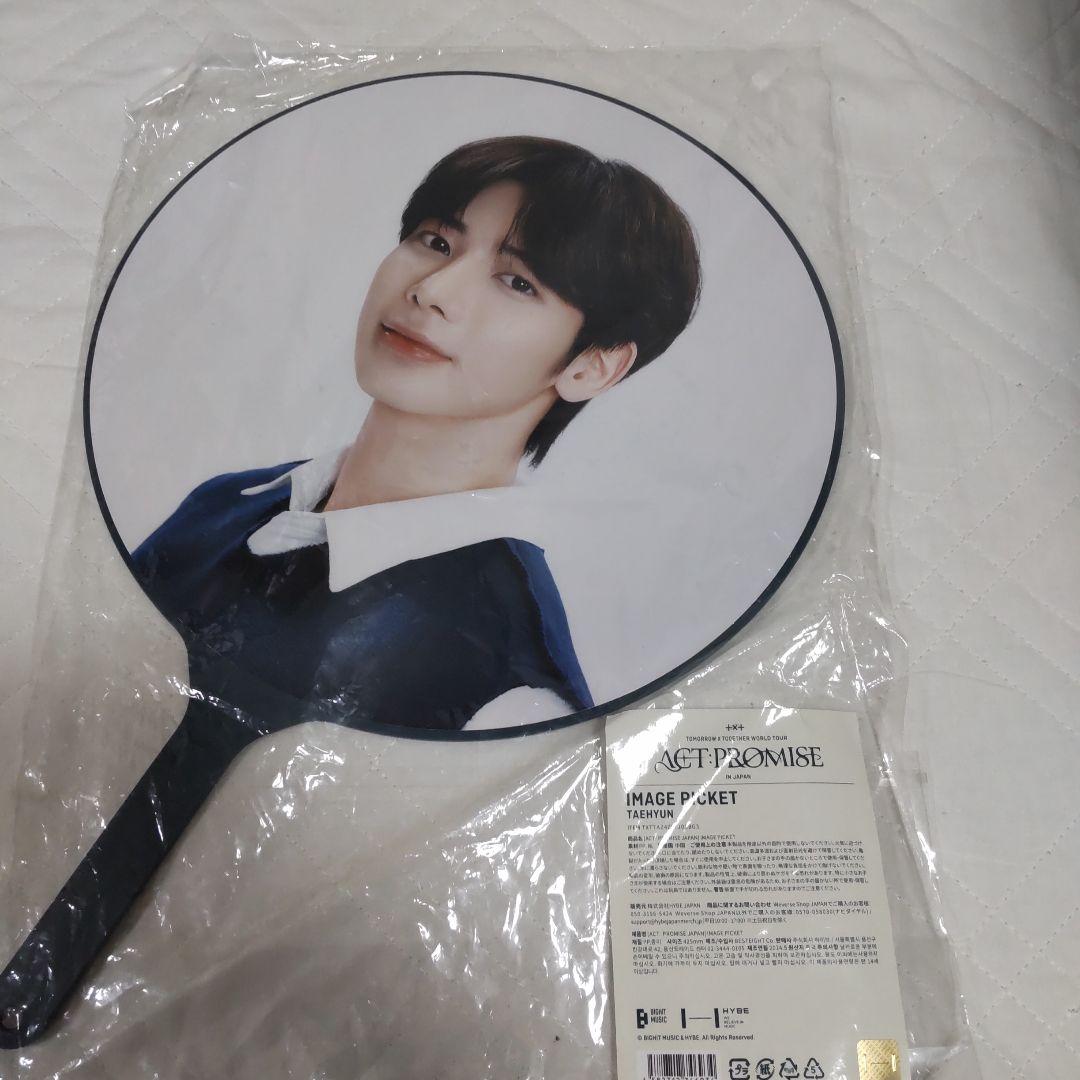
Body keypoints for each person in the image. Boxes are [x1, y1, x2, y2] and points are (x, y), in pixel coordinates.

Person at [132, 135, 701, 733]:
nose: (431, 291)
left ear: (592, 367)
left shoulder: (508, 688)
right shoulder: (224, 505)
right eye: (436, 243)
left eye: (517, 282)